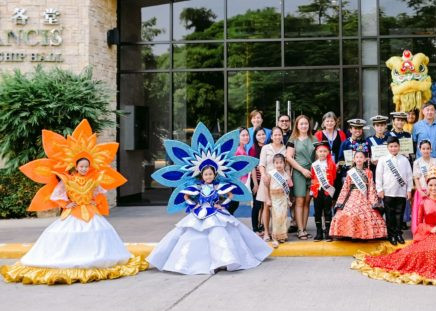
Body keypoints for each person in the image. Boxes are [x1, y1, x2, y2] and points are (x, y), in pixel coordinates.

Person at [2, 120, 148, 284]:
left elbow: (99, 194)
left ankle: (96, 258)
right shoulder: (67, 180)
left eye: (86, 166)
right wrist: (66, 205)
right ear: (76, 166)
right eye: (81, 166)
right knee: (67, 237)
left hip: (91, 213)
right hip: (72, 213)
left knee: (97, 236)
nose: (84, 169)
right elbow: (57, 195)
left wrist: (95, 202)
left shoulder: (94, 180)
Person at [148, 165, 273, 274]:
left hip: (216, 212)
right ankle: (198, 262)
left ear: (214, 175)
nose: (208, 176)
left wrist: (223, 205)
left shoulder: (218, 186)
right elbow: (185, 195)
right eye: (206, 174)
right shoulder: (198, 187)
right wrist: (193, 205)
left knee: (221, 233)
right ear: (202, 175)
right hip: (199, 212)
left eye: (210, 174)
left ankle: (224, 260)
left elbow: (230, 195)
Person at [330, 150, 387, 240]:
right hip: (352, 196)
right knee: (349, 212)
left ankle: (363, 234)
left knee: (367, 214)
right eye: (357, 157)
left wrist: (373, 201)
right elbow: (345, 188)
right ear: (354, 160)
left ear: (365, 159)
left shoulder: (369, 172)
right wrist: (340, 201)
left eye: (361, 157)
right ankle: (348, 233)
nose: (359, 159)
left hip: (364, 196)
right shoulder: (350, 172)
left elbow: (371, 187)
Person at [375, 135, 413, 245]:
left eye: (395, 146)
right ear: (388, 147)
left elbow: (409, 176)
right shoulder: (383, 160)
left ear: (399, 147)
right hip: (387, 191)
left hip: (401, 192)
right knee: (390, 214)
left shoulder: (404, 160)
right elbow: (378, 176)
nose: (393, 148)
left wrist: (409, 190)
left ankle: (398, 234)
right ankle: (391, 235)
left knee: (399, 214)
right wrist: (379, 189)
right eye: (391, 146)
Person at [285, 115, 314, 240]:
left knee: (308, 201)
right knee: (300, 201)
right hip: (299, 173)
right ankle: (300, 229)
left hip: (312, 173)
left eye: (306, 123)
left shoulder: (314, 138)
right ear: (297, 125)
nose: (304, 126)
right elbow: (289, 157)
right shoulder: (293, 140)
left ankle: (304, 228)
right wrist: (302, 170)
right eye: (301, 124)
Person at [258, 127, 287, 243]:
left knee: (280, 208)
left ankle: (279, 232)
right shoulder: (266, 148)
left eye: (279, 134)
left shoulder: (285, 148)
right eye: (275, 135)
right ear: (271, 136)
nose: (277, 137)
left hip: (281, 180)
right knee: (267, 206)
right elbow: (261, 164)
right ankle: (266, 231)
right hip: (268, 180)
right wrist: (263, 175)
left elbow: (287, 165)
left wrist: (288, 177)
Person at [310, 140, 337, 242]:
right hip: (317, 191)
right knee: (317, 212)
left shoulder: (331, 164)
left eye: (325, 151)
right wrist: (312, 190)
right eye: (320, 151)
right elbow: (312, 178)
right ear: (317, 152)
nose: (322, 153)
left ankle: (328, 232)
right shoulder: (314, 165)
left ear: (328, 152)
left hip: (327, 191)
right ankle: (319, 232)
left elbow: (333, 176)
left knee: (327, 211)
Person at [263, 153, 293, 246]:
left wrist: (289, 199)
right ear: (273, 164)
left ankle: (282, 236)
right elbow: (266, 187)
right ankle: (275, 237)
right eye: (276, 163)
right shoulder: (271, 174)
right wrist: (268, 199)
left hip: (283, 198)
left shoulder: (286, 175)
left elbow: (288, 188)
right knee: (276, 217)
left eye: (281, 162)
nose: (279, 165)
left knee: (283, 216)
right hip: (274, 198)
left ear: (284, 163)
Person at [411, 139, 436, 235]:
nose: (426, 150)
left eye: (428, 148)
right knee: (420, 212)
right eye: (423, 148)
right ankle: (420, 230)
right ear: (420, 150)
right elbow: (416, 178)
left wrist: (430, 190)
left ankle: (432, 229)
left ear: (431, 149)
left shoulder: (435, 161)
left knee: (431, 211)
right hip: (421, 191)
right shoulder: (417, 162)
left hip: (433, 191)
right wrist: (420, 191)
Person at [250, 127, 267, 233]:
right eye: (259, 135)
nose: (261, 136)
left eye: (263, 134)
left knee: (264, 204)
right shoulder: (253, 149)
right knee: (257, 205)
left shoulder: (267, 146)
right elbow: (252, 167)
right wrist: (255, 184)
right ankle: (255, 228)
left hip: (265, 179)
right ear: (255, 137)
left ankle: (262, 225)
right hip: (256, 180)